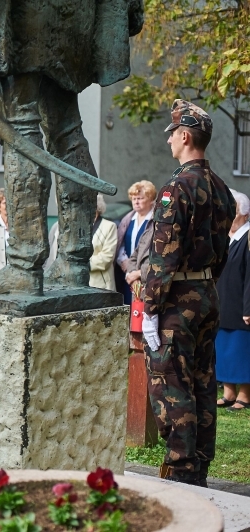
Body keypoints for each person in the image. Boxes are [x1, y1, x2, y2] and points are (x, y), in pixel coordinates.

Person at [0, 0, 143, 294]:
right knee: (68, 132)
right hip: (73, 23)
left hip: (22, 21)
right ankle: (74, 262)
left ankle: (24, 264)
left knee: (20, 129)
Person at [142, 99, 235, 487]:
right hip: (206, 293)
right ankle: (197, 469)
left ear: (184, 136)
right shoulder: (222, 188)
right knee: (201, 381)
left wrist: (150, 307)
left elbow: (163, 256)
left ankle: (181, 475)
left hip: (177, 298)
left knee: (172, 383)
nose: (169, 143)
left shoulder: (176, 187)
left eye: (172, 136)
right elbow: (222, 251)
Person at [215, 189, 250, 412]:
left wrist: (249, 308)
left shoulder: (248, 238)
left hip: (241, 304)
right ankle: (228, 392)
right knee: (224, 348)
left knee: (241, 350)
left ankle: (245, 395)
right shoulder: (226, 237)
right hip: (222, 302)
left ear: (245, 215)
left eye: (233, 211)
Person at [116, 180, 157, 302]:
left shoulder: (155, 221)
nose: (136, 202)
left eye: (140, 198)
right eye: (133, 199)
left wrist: (139, 273)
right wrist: (124, 262)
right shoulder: (128, 219)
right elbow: (120, 243)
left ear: (150, 200)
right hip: (128, 274)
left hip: (145, 275)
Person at [89, 194, 118, 290]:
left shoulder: (109, 226)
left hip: (102, 285)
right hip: (79, 285)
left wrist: (81, 265)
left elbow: (106, 258)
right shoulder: (78, 226)